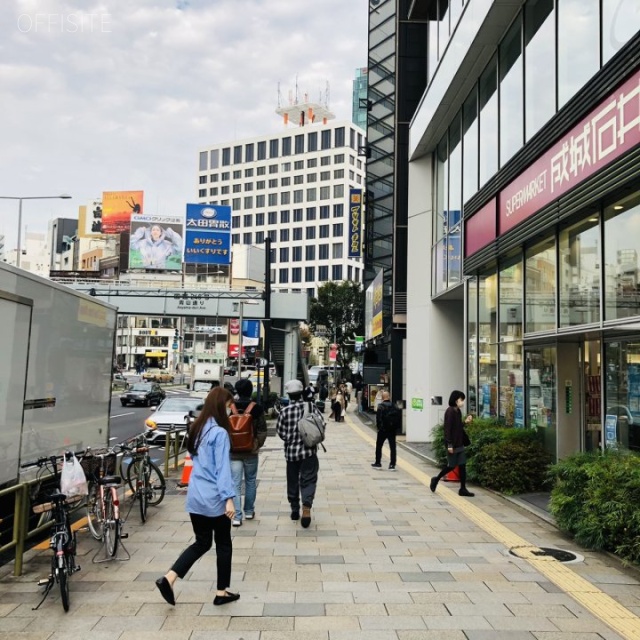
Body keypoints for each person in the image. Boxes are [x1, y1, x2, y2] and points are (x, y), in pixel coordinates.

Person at [156, 387, 240, 606]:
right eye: (228, 406)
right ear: (221, 406)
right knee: (223, 544)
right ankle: (221, 593)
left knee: (202, 542)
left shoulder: (197, 428)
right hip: (215, 498)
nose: (231, 411)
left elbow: (194, 461)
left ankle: (169, 577)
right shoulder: (219, 433)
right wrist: (229, 498)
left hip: (196, 496)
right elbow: (222, 470)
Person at [276, 379, 325, 528]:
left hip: (291, 454)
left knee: (293, 481)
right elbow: (321, 424)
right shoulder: (311, 407)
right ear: (301, 392)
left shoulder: (284, 411)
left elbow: (281, 433)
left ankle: (294, 509)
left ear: (289, 394)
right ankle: (306, 506)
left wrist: (291, 438)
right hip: (309, 451)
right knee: (308, 479)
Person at [230, 378, 268, 526]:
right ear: (250, 391)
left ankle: (237, 516)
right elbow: (262, 430)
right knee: (251, 481)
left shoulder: (230, 408)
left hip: (233, 453)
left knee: (235, 484)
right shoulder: (256, 408)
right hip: (251, 452)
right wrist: (256, 445)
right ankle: (249, 511)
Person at [430, 390, 475, 497]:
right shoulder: (450, 411)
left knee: (462, 466)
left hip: (459, 444)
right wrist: (449, 444)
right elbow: (447, 429)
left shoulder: (457, 411)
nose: (463, 402)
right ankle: (435, 479)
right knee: (451, 466)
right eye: (461, 400)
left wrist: (465, 422)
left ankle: (463, 489)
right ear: (456, 400)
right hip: (453, 445)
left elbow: (458, 427)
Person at [371, 390, 399, 471]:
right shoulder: (394, 405)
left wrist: (379, 428)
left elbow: (378, 418)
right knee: (392, 447)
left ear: (382, 398)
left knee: (379, 446)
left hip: (383, 430)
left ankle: (378, 463)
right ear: (389, 397)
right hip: (392, 430)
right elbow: (398, 418)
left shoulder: (381, 406)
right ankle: (392, 464)